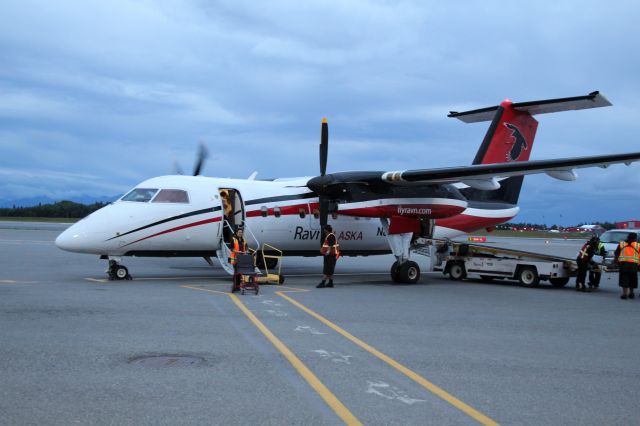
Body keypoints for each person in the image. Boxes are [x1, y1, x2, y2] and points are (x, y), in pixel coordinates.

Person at [614, 232, 639, 300]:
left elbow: (616, 253)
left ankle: (624, 294)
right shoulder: (638, 245)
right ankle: (631, 293)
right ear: (635, 238)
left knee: (624, 279)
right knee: (632, 279)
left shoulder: (622, 244)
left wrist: (616, 262)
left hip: (623, 264)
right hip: (634, 265)